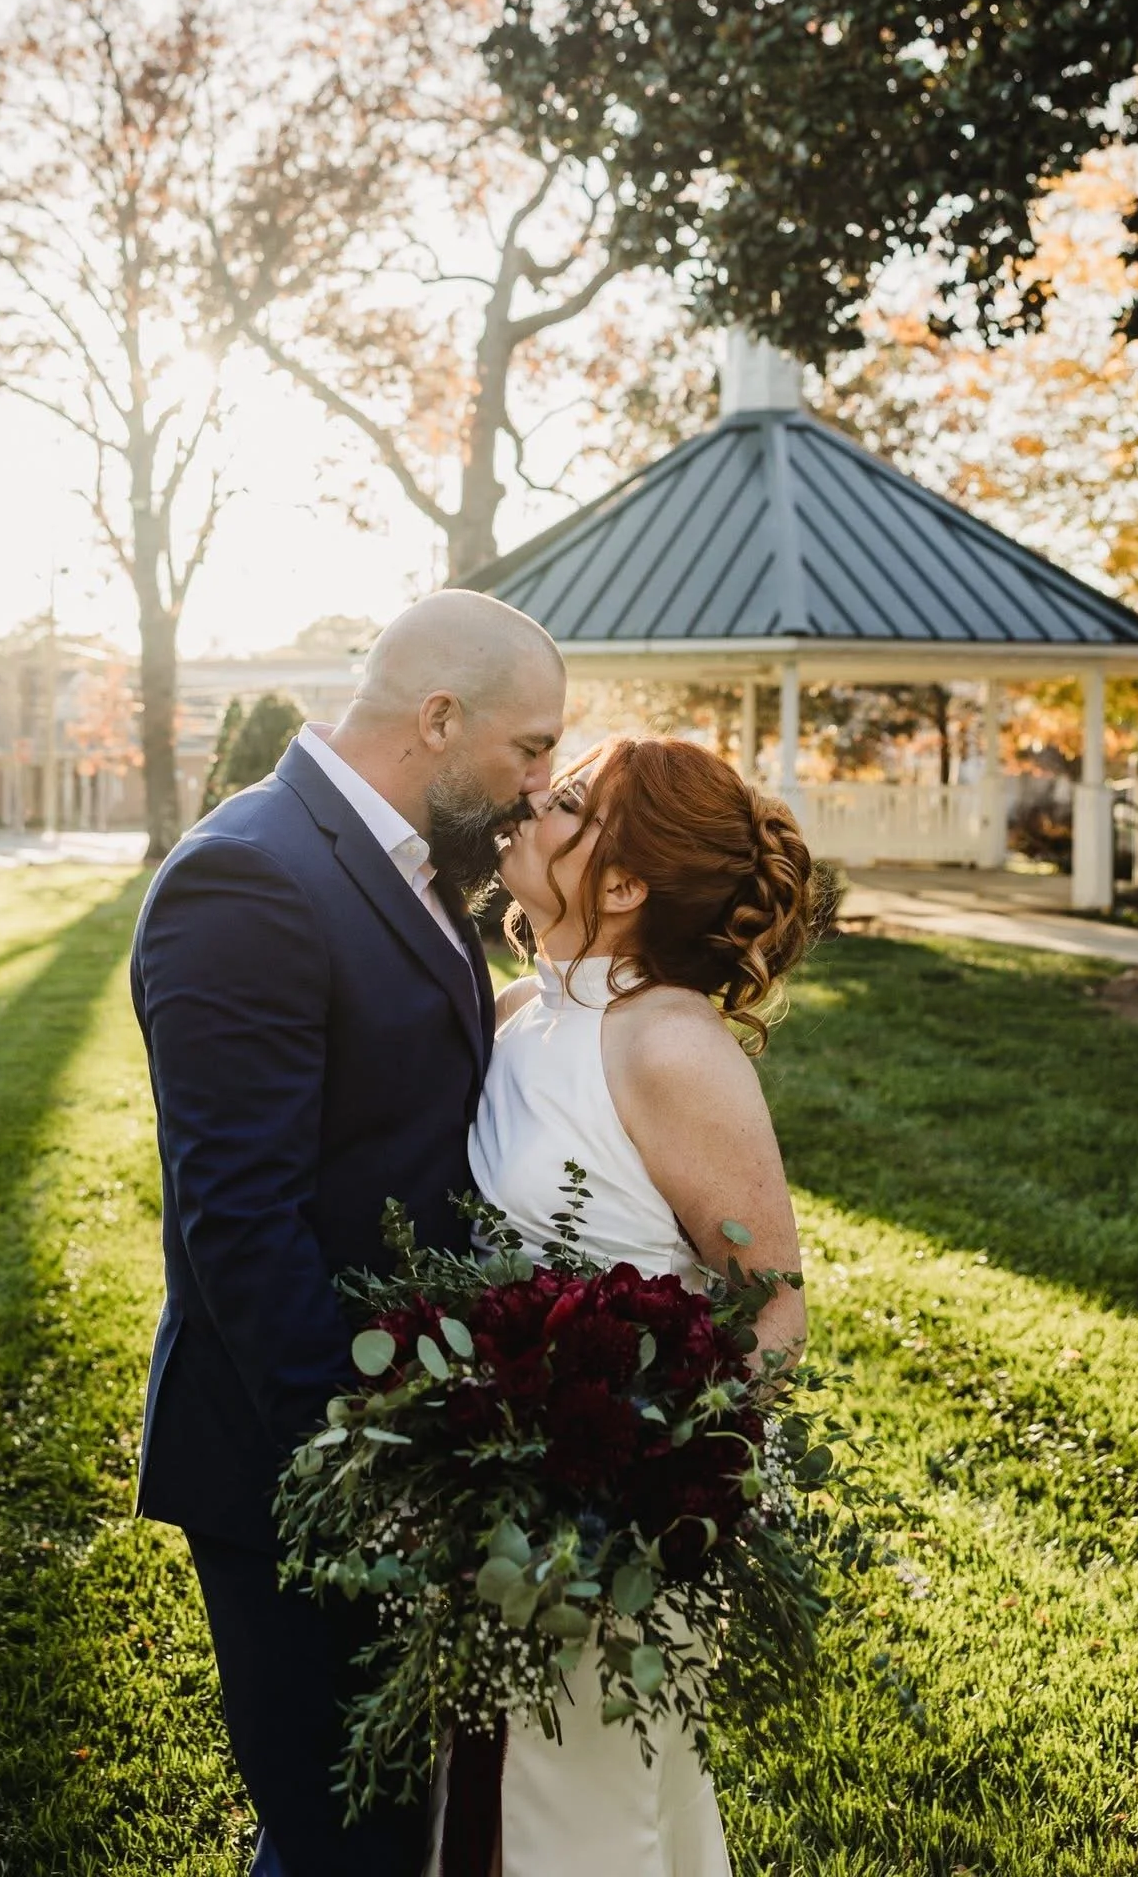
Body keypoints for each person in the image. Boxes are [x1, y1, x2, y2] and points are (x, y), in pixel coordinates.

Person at [130, 589, 567, 1877]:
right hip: (299, 1455)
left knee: (391, 1824)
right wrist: (364, 1464)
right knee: (341, 1838)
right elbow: (240, 1221)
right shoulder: (249, 872)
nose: (540, 785)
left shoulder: (414, 864)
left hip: (408, 1432)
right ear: (438, 718)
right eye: (529, 749)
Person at [427, 732, 814, 1877]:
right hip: (485, 1488)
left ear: (629, 881)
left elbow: (773, 1303)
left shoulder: (670, 1046)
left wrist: (649, 1491)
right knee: (483, 1804)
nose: (533, 799)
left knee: (589, 1814)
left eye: (574, 800)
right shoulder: (513, 1013)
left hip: (610, 1528)